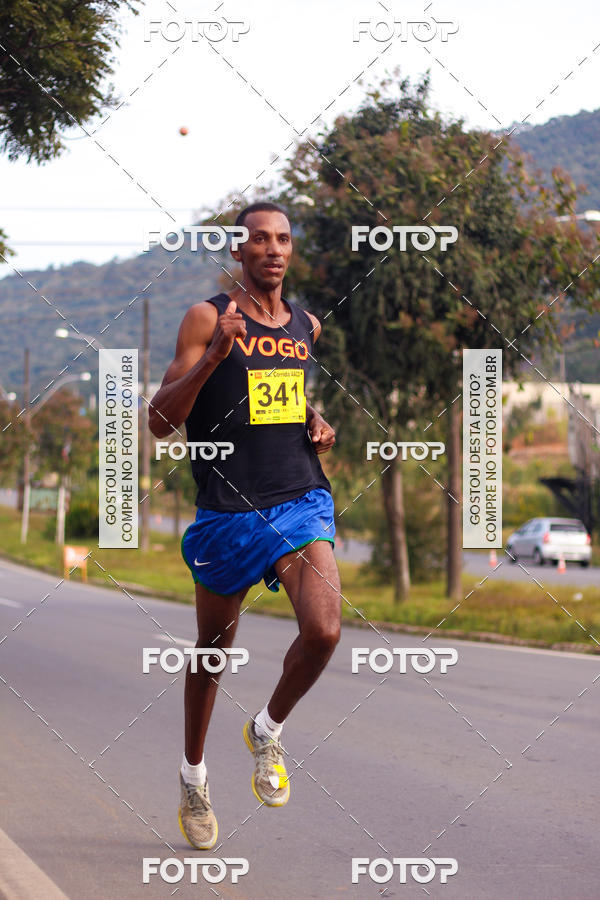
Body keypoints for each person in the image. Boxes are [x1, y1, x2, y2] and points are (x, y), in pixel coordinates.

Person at [149, 201, 341, 850]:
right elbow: (159, 419)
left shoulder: (305, 325)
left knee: (324, 629)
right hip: (228, 511)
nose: (273, 249)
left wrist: (314, 418)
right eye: (259, 239)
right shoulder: (208, 317)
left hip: (298, 497)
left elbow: (277, 390)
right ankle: (193, 776)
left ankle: (266, 730)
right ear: (238, 252)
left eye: (283, 239)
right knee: (212, 653)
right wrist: (212, 358)